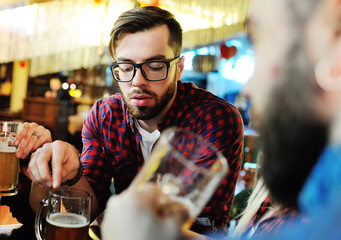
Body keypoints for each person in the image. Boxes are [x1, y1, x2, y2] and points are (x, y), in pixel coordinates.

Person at [8, 6, 244, 238]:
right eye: (126, 67)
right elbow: (89, 207)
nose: (137, 81)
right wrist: (71, 174)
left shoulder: (214, 118)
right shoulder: (105, 116)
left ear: (179, 68)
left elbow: (200, 226)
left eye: (154, 67)